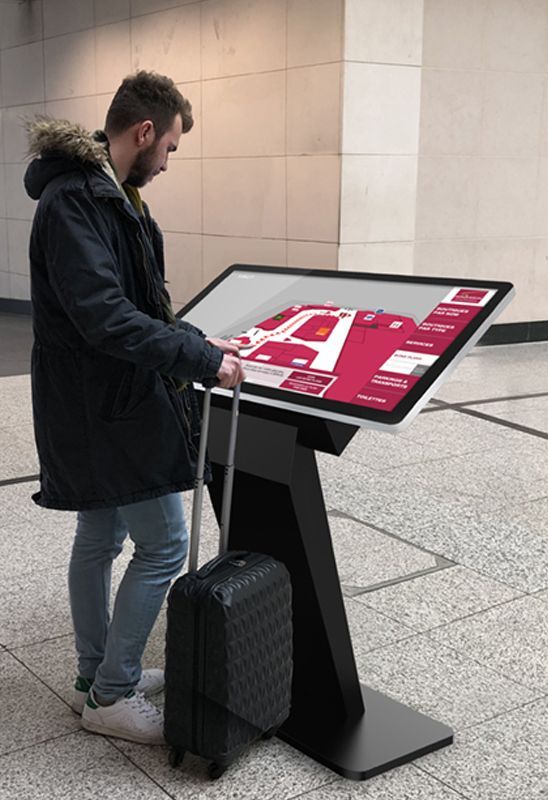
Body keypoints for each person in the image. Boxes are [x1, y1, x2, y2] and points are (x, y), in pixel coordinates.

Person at [24, 71, 246, 745]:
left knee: (100, 538)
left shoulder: (108, 194)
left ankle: (96, 677)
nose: (168, 162)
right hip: (106, 403)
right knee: (164, 544)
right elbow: (106, 318)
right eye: (171, 148)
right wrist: (201, 361)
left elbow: (138, 304)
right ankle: (113, 693)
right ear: (144, 131)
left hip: (96, 400)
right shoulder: (78, 202)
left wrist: (191, 338)